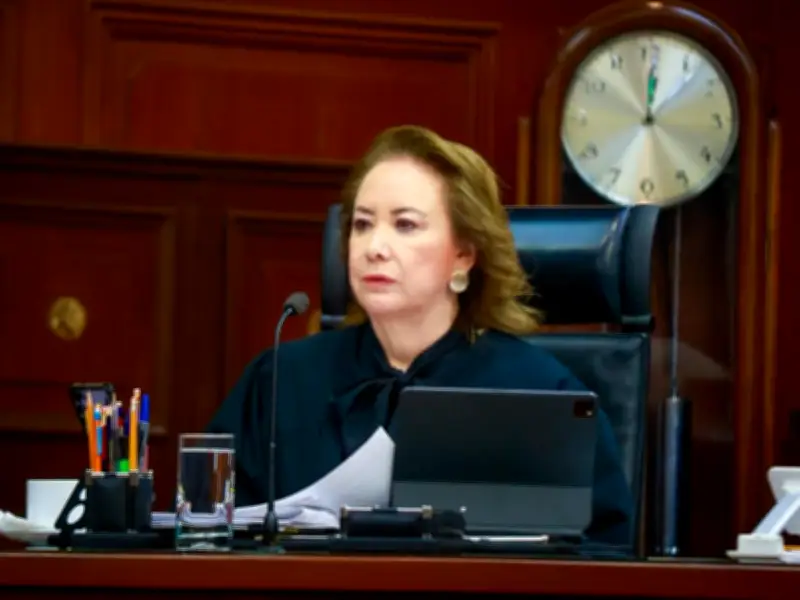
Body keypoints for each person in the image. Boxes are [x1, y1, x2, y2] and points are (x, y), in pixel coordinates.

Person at [207, 125, 633, 545]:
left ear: (463, 255)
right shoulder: (280, 380)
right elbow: (209, 531)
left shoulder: (541, 392)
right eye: (362, 224)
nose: (374, 247)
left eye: (405, 225)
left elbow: (600, 556)